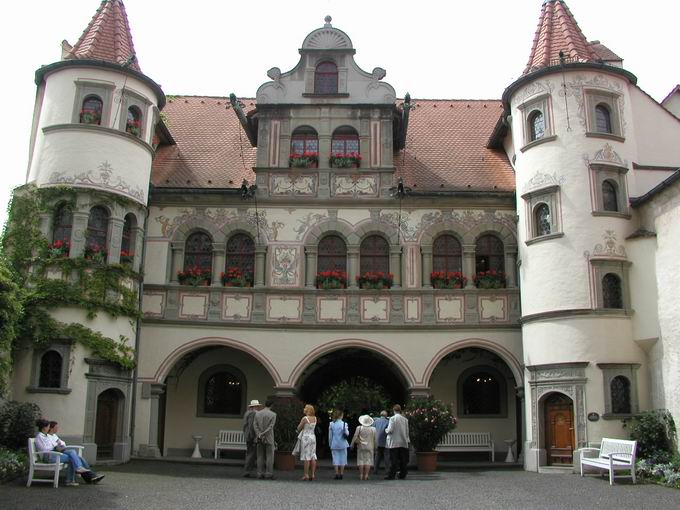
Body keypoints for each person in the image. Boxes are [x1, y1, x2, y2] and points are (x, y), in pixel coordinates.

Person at [34, 419, 103, 486]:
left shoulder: (45, 436)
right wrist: (55, 447)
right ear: (44, 427)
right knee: (73, 458)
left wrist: (56, 446)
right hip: (49, 456)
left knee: (73, 453)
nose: (49, 428)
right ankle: (82, 475)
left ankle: (80, 472)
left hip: (54, 454)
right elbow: (44, 449)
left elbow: (57, 444)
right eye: (48, 426)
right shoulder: (40, 437)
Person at [385, 404, 410, 480]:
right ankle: (403, 474)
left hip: (394, 442)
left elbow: (390, 429)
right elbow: (407, 431)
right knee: (403, 459)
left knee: (394, 460)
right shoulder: (405, 419)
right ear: (400, 410)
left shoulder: (392, 418)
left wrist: (386, 430)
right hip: (403, 441)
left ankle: (392, 475)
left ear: (394, 410)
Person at [253, 399, 276, 479]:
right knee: (270, 456)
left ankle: (259, 473)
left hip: (259, 437)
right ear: (272, 405)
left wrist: (259, 434)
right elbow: (271, 426)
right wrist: (264, 433)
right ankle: (269, 473)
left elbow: (255, 425)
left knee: (260, 456)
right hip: (269, 437)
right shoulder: (273, 414)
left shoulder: (257, 414)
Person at [350, 414, 376, 480]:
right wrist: (376, 446)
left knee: (361, 460)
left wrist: (352, 444)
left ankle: (361, 475)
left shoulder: (359, 428)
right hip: (370, 446)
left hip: (361, 446)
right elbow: (375, 439)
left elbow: (355, 436)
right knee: (368, 460)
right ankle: (366, 475)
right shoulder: (373, 429)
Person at [296, 404, 318, 481]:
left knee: (306, 456)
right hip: (313, 437)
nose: (304, 409)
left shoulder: (305, 418)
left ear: (308, 410)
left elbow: (299, 428)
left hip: (306, 437)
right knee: (313, 456)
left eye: (305, 408)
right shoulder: (315, 418)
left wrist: (298, 430)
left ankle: (306, 474)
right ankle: (313, 474)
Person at [242, 399, 262, 478]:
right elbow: (251, 426)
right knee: (251, 454)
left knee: (250, 453)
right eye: (257, 406)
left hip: (248, 435)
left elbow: (245, 426)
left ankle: (248, 471)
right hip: (251, 436)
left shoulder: (247, 413)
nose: (258, 408)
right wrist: (254, 437)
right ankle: (247, 471)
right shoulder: (253, 414)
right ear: (255, 407)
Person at [328, 409, 349, 479]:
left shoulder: (331, 424)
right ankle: (342, 474)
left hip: (334, 443)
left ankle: (336, 474)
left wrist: (330, 444)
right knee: (343, 458)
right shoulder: (344, 424)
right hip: (343, 443)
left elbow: (330, 436)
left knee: (335, 459)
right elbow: (347, 434)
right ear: (341, 416)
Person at [373, 410, 390, 474]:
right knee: (386, 456)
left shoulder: (376, 421)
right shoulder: (388, 421)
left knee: (377, 456)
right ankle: (387, 470)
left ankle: (375, 470)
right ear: (386, 415)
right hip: (385, 441)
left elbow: (373, 429)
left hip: (377, 441)